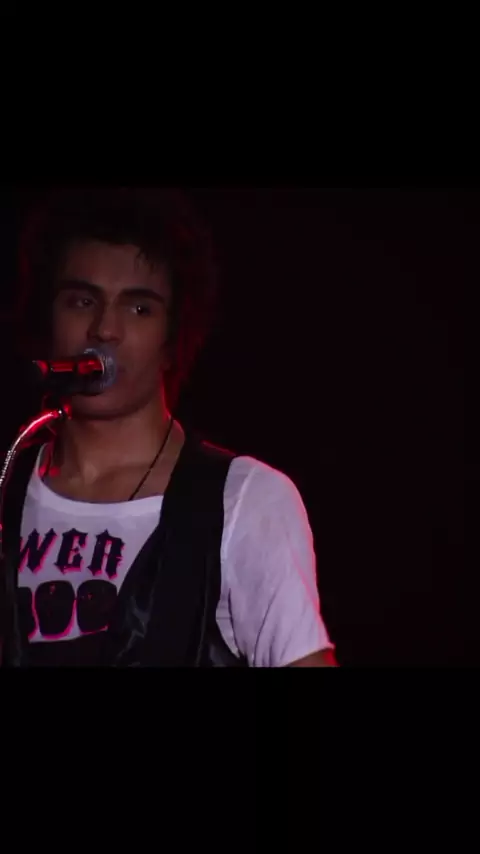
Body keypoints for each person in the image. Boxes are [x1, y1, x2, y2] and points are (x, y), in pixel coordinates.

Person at [1, 187, 336, 667]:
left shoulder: (243, 499)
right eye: (81, 301)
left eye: (139, 308)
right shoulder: (7, 484)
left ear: (173, 339)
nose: (105, 330)